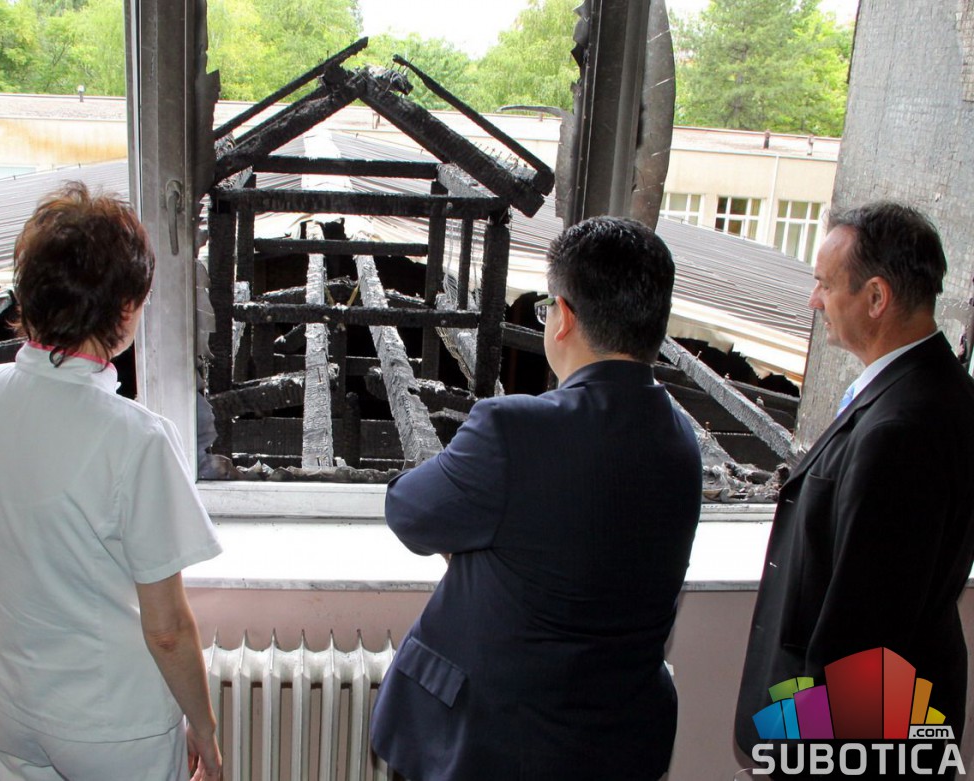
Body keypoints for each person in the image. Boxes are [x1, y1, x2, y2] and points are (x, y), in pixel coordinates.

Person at [370, 216, 703, 780]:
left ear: (563, 317)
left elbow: (409, 511)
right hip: (617, 748)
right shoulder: (681, 440)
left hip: (487, 747)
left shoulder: (514, 430)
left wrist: (484, 540)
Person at [0, 182, 223, 781]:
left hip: (13, 702)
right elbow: (167, 629)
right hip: (112, 720)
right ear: (126, 308)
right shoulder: (135, 437)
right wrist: (204, 725)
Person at [734, 202, 974, 766]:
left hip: (860, 736)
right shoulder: (936, 391)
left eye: (824, 284)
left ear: (876, 297)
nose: (813, 301)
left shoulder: (902, 430)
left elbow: (866, 631)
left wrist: (808, 752)